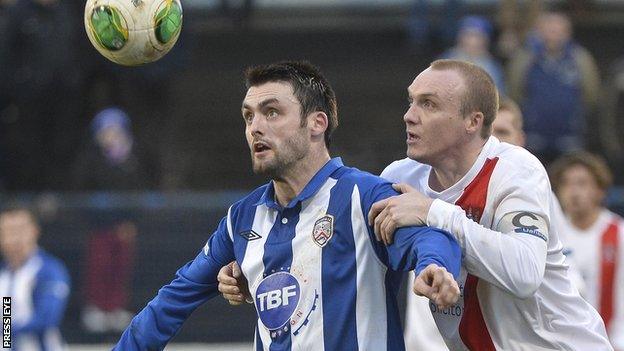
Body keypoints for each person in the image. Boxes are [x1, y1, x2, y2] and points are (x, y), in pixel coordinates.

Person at [114, 61, 462, 350]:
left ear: (316, 123)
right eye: (249, 116)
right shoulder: (242, 219)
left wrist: (434, 265)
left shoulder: (363, 195)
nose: (255, 128)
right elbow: (172, 301)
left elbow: (429, 238)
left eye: (272, 113)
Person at [370, 59, 610, 350]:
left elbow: (524, 274)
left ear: (473, 121)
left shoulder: (516, 170)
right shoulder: (400, 178)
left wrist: (432, 212)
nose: (409, 116)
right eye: (411, 102)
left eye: (428, 104)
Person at [550, 152, 624, 350]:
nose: (573, 191)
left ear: (600, 191)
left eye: (582, 183)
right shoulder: (552, 234)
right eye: (566, 184)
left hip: (609, 342)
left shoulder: (618, 233)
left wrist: (619, 341)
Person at [508, 11, 600, 164]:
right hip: (533, 136)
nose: (553, 36)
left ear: (568, 33)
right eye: (549, 30)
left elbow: (591, 94)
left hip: (571, 137)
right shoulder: (525, 58)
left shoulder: (581, 59)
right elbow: (515, 91)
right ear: (539, 32)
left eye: (558, 31)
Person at [0, 204, 71, 350]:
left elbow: (46, 319)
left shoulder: (49, 270)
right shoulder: (4, 274)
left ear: (34, 231)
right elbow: (6, 310)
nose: (14, 238)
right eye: (7, 231)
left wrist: (5, 330)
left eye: (19, 230)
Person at [440, 16, 505, 93]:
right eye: (468, 35)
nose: (472, 41)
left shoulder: (492, 68)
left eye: (477, 36)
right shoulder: (446, 60)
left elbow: (498, 97)